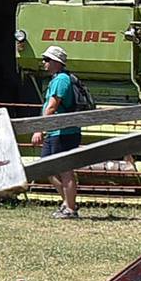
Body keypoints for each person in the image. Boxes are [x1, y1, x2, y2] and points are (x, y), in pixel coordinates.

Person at [30, 43, 83, 217]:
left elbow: (52, 107)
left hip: (63, 132)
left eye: (47, 59)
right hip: (55, 132)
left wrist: (40, 129)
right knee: (47, 168)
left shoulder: (61, 80)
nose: (44, 62)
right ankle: (68, 203)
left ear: (57, 62)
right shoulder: (57, 79)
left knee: (65, 170)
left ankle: (70, 208)